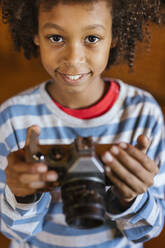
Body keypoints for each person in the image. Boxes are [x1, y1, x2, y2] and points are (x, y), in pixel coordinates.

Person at [0, 0, 165, 247]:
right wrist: (22, 195)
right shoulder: (13, 118)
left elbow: (148, 231)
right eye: (56, 38)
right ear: (35, 34)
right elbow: (12, 232)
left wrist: (131, 197)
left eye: (92, 38)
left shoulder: (144, 114)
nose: (74, 58)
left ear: (114, 36)